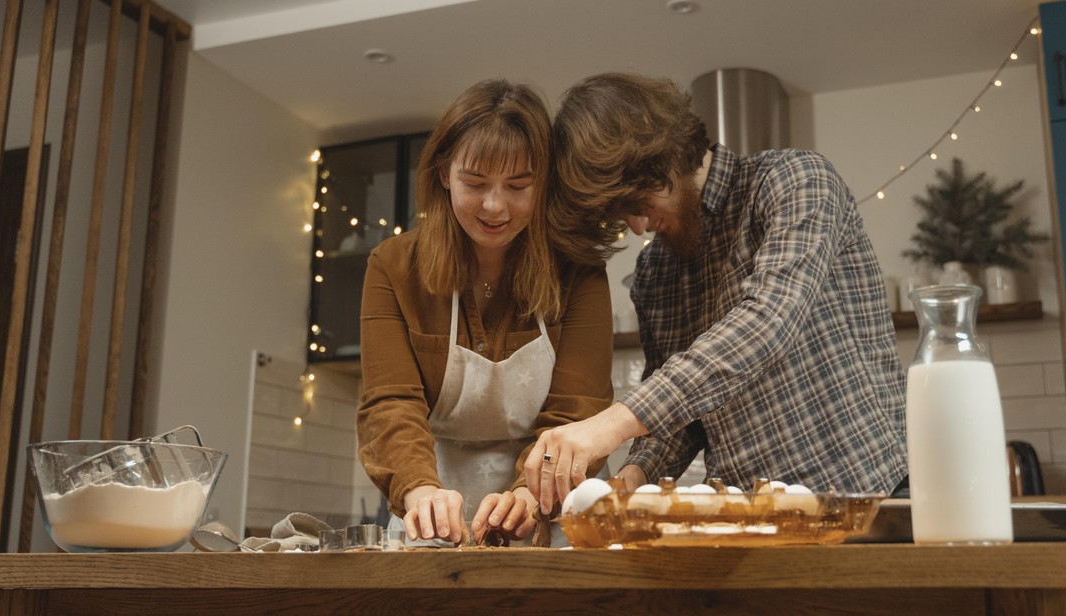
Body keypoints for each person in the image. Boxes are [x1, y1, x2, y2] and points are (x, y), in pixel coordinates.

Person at [527, 73, 908, 514]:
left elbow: (766, 322)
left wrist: (610, 424)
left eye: (638, 204)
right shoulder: (655, 271)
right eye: (621, 216)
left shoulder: (795, 181)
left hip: (866, 496)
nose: (637, 228)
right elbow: (680, 417)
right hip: (746, 516)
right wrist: (632, 477)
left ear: (665, 157)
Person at [357, 79, 613, 545]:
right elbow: (391, 402)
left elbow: (578, 408)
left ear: (545, 184)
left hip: (552, 505)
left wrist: (530, 494)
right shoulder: (392, 267)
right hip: (432, 508)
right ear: (442, 174)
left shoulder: (578, 270)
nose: (495, 206)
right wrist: (420, 490)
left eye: (518, 186)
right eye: (475, 183)